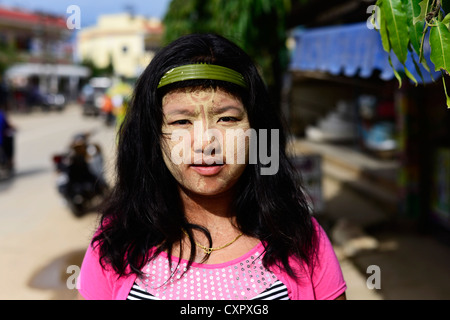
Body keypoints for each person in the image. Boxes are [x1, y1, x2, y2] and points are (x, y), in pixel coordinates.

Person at [77, 33, 347, 300]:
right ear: (152, 136)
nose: (206, 142)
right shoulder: (117, 243)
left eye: (227, 118)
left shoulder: (300, 237)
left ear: (258, 132)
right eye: (182, 122)